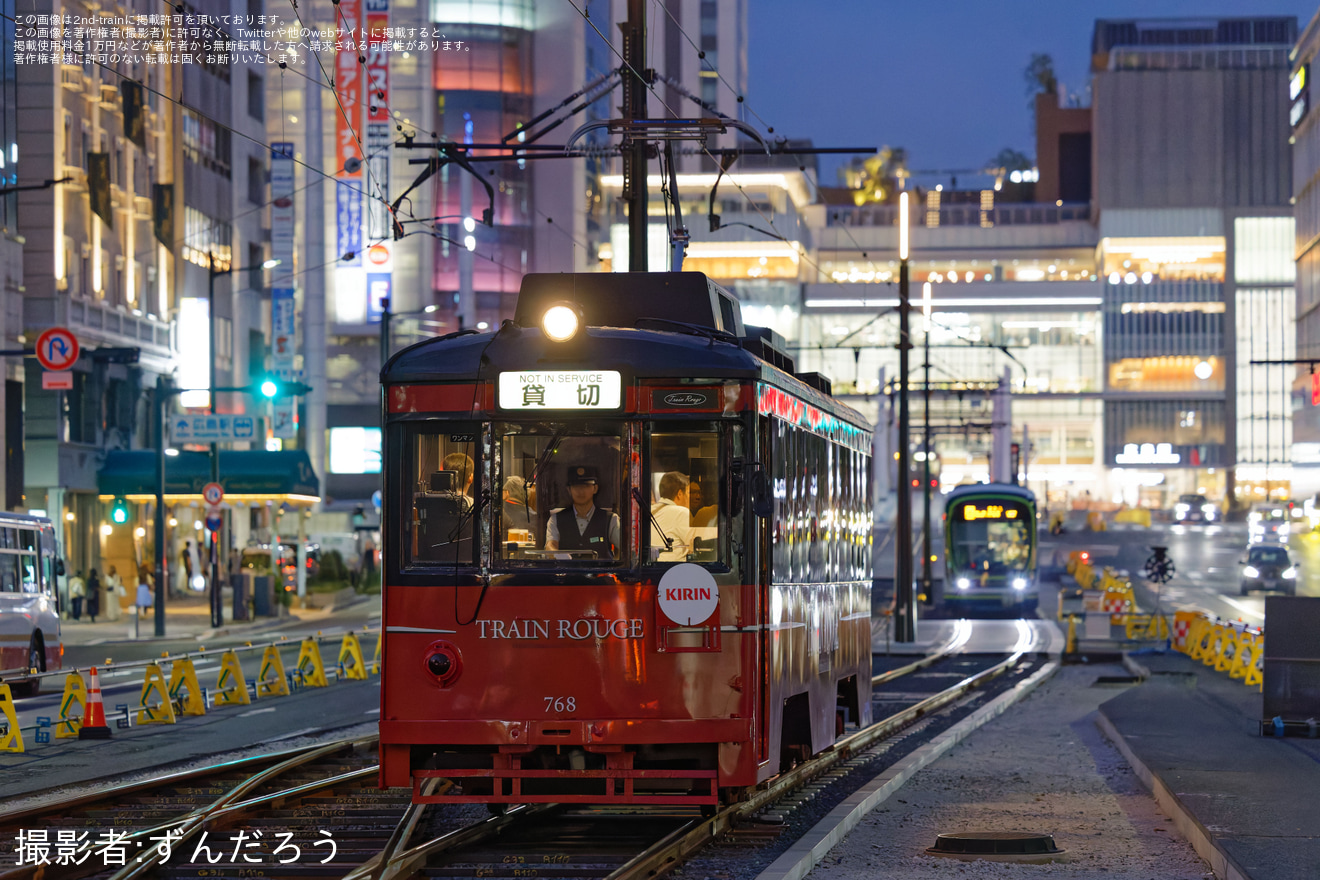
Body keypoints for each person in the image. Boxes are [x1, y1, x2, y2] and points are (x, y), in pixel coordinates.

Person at [546, 465, 621, 559]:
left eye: (586, 486)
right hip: (568, 573)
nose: (581, 491)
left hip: (600, 573)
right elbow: (550, 545)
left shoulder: (611, 519)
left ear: (595, 488)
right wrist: (557, 554)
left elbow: (626, 548)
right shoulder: (556, 519)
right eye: (576, 486)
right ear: (569, 490)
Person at [650, 471, 696, 562]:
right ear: (679, 494)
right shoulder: (682, 513)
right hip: (674, 572)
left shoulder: (650, 510)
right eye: (688, 493)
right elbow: (696, 547)